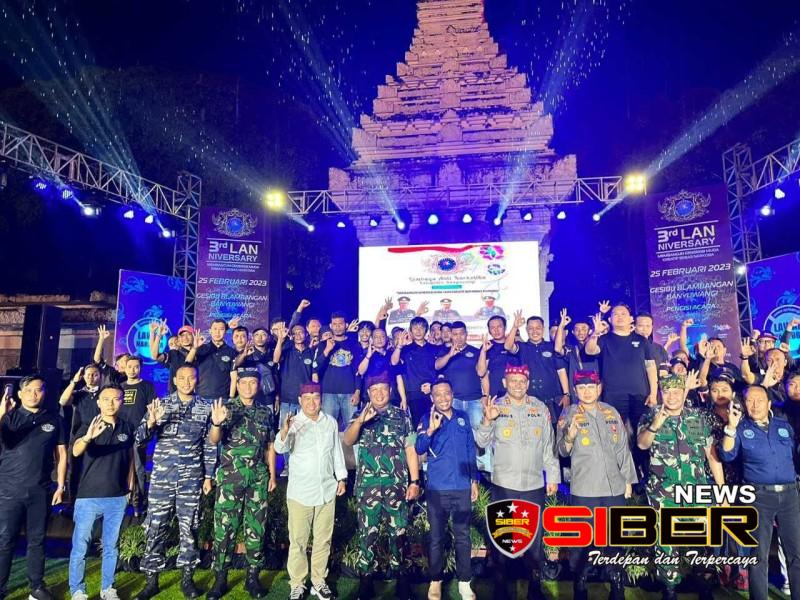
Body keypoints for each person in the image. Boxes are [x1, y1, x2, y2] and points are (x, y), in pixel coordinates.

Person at [636, 372, 724, 599]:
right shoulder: (650, 415)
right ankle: (669, 588)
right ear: (661, 393)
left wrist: (722, 492)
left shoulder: (698, 418)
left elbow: (712, 456)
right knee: (665, 542)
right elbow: (642, 444)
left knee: (701, 540)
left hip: (696, 491)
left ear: (684, 393)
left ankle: (703, 584)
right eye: (667, 392)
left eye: (676, 392)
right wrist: (656, 424)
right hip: (663, 493)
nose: (672, 397)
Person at [133, 364, 217, 600]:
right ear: (175, 380)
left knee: (189, 528)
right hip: (163, 478)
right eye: (182, 378)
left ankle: (187, 580)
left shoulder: (206, 407)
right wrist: (151, 422)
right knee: (156, 527)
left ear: (197, 380)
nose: (187, 382)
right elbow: (139, 438)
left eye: (191, 378)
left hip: (191, 478)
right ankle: (151, 581)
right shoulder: (162, 405)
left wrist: (208, 475)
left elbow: (210, 445)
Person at [476, 364, 559, 600]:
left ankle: (535, 587)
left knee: (534, 538)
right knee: (503, 537)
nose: (518, 385)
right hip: (504, 484)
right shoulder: (496, 407)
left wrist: (553, 476)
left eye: (522, 381)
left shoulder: (539, 408)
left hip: (534, 484)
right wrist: (487, 420)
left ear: (528, 383)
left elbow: (548, 446)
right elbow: (481, 442)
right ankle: (501, 587)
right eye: (513, 381)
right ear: (504, 383)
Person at [557, 371, 636, 600]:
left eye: (591, 387)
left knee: (615, 538)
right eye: (581, 388)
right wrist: (570, 436)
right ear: (575, 391)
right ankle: (580, 585)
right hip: (585, 489)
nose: (587, 392)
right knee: (582, 540)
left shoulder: (610, 412)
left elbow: (622, 449)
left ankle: (617, 585)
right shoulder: (568, 414)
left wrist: (628, 480)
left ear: (599, 389)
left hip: (614, 488)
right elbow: (561, 451)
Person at [343, 373, 420, 600]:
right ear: (368, 393)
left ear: (390, 391)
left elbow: (410, 449)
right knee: (367, 534)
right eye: (374, 390)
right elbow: (348, 440)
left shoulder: (402, 416)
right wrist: (360, 421)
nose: (379, 394)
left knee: (399, 533)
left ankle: (401, 579)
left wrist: (415, 481)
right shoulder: (360, 415)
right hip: (368, 487)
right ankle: (366, 580)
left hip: (396, 486)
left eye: (383, 389)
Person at [720, 385, 800, 600]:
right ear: (744, 404)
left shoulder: (784, 426)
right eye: (750, 401)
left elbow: (795, 456)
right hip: (758, 498)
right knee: (758, 556)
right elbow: (726, 455)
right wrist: (730, 427)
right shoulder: (739, 427)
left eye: (760, 400)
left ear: (769, 403)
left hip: (790, 496)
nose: (755, 405)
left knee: (796, 555)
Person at [207, 368, 277, 600]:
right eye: (244, 383)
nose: (248, 387)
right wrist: (216, 423)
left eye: (253, 383)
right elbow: (214, 440)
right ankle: (220, 578)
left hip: (258, 478)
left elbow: (270, 446)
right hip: (230, 478)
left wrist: (272, 475)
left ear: (258, 385)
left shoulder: (265, 412)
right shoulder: (226, 408)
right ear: (237, 385)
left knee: (256, 528)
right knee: (224, 528)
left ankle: (252, 578)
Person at [273, 382, 347, 600]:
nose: (312, 402)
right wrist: (285, 431)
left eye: (316, 397)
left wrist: (341, 477)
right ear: (300, 401)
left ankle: (318, 581)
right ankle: (297, 583)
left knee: (323, 540)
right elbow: (279, 448)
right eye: (307, 398)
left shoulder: (330, 422)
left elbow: (336, 453)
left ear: (321, 399)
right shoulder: (294, 423)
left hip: (326, 490)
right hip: (300, 493)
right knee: (298, 541)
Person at [0, 375, 67, 600]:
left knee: (37, 540)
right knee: (5, 540)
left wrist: (61, 485)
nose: (33, 394)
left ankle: (36, 587)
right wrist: (1, 413)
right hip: (8, 490)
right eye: (28, 390)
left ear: (44, 392)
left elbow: (61, 454)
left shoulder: (54, 419)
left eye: (38, 390)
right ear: (20, 394)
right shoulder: (9, 417)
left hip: (40, 490)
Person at [69, 384, 134, 600]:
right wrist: (88, 437)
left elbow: (130, 460)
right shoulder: (89, 424)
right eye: (106, 399)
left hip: (117, 497)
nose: (110, 403)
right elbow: (76, 451)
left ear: (122, 402)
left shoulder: (127, 427)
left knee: (111, 546)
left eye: (116, 399)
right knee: (80, 546)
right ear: (98, 402)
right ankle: (78, 590)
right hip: (88, 497)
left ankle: (108, 588)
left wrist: (129, 488)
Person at [415, 379, 478, 600]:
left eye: (447, 393)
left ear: (452, 394)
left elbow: (470, 449)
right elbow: (419, 448)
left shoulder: (463, 417)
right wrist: (430, 430)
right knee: (436, 538)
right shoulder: (427, 418)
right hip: (437, 489)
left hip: (461, 487)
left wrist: (474, 480)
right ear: (432, 398)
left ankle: (464, 582)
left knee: (463, 537)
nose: (443, 398)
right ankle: (435, 581)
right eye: (438, 395)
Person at [505, 311, 570, 423]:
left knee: (555, 429)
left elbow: (561, 371)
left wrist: (566, 394)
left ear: (543, 329)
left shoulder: (552, 347)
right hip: (529, 400)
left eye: (538, 328)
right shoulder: (522, 347)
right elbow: (508, 346)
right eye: (531, 328)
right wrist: (515, 326)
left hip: (552, 399)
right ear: (526, 330)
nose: (534, 331)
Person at [119, 356, 156, 514]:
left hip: (139, 434)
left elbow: (152, 409)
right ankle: (121, 501)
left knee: (139, 469)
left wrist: (144, 429)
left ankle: (138, 503)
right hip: (121, 435)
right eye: (130, 367)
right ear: (125, 368)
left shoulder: (147, 386)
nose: (133, 370)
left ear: (140, 368)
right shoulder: (120, 387)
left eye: (136, 367)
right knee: (121, 467)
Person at [313, 311, 362, 431]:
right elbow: (315, 367)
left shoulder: (354, 344)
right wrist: (327, 350)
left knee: (353, 429)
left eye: (340, 324)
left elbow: (359, 371)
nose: (337, 327)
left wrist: (357, 392)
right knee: (327, 430)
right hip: (328, 393)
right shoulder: (323, 344)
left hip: (350, 393)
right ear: (330, 326)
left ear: (346, 325)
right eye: (334, 324)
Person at [59, 363, 102, 499]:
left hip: (100, 435)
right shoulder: (79, 394)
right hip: (79, 435)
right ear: (84, 377)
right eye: (88, 375)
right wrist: (74, 382)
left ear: (100, 376)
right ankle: (73, 502)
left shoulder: (104, 393)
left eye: (95, 374)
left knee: (97, 468)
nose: (91, 377)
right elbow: (63, 401)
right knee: (75, 469)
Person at [391, 316, 442, 427]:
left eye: (421, 328)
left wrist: (433, 386)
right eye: (415, 328)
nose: (418, 331)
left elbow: (441, 373)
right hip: (413, 396)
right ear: (410, 331)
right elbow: (394, 362)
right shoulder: (405, 349)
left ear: (426, 330)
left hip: (432, 394)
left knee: (436, 426)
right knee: (418, 427)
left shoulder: (434, 349)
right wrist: (399, 346)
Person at [435, 321, 483, 430]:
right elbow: (437, 366)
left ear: (466, 334)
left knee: (479, 431)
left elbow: (483, 374)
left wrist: (485, 396)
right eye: (455, 334)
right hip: (453, 400)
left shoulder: (476, 351)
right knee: (454, 431)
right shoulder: (444, 351)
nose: (459, 337)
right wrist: (449, 355)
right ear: (451, 335)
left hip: (474, 399)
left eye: (462, 334)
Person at [273, 323, 315, 429]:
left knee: (304, 430)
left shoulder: (311, 352)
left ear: (306, 334)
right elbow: (275, 359)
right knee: (286, 430)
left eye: (301, 332)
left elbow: (314, 375)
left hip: (305, 398)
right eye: (295, 333)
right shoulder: (287, 351)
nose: (298, 335)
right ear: (291, 336)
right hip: (287, 399)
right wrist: (280, 340)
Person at [553, 309, 599, 403]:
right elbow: (557, 348)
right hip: (577, 390)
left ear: (590, 331)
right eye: (577, 329)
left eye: (584, 329)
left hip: (595, 388)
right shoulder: (571, 348)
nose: (580, 332)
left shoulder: (597, 346)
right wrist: (561, 325)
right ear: (573, 332)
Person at [185, 319, 237, 400]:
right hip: (201, 397)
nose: (217, 332)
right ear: (210, 331)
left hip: (223, 398)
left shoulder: (231, 352)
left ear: (225, 332)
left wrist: (231, 398)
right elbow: (187, 363)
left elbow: (234, 378)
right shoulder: (201, 348)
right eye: (215, 329)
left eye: (221, 329)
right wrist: (194, 348)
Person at [477, 315, 517, 399]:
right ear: (489, 331)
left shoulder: (515, 345)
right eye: (492, 328)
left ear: (505, 327)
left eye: (499, 326)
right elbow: (481, 373)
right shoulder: (486, 346)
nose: (496, 330)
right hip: (495, 395)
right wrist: (483, 351)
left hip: (516, 393)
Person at [149, 321, 193, 393]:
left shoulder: (195, 352)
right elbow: (154, 355)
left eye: (176, 341)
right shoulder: (172, 354)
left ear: (180, 341)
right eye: (171, 344)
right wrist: (155, 334)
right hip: (176, 392)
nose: (174, 344)